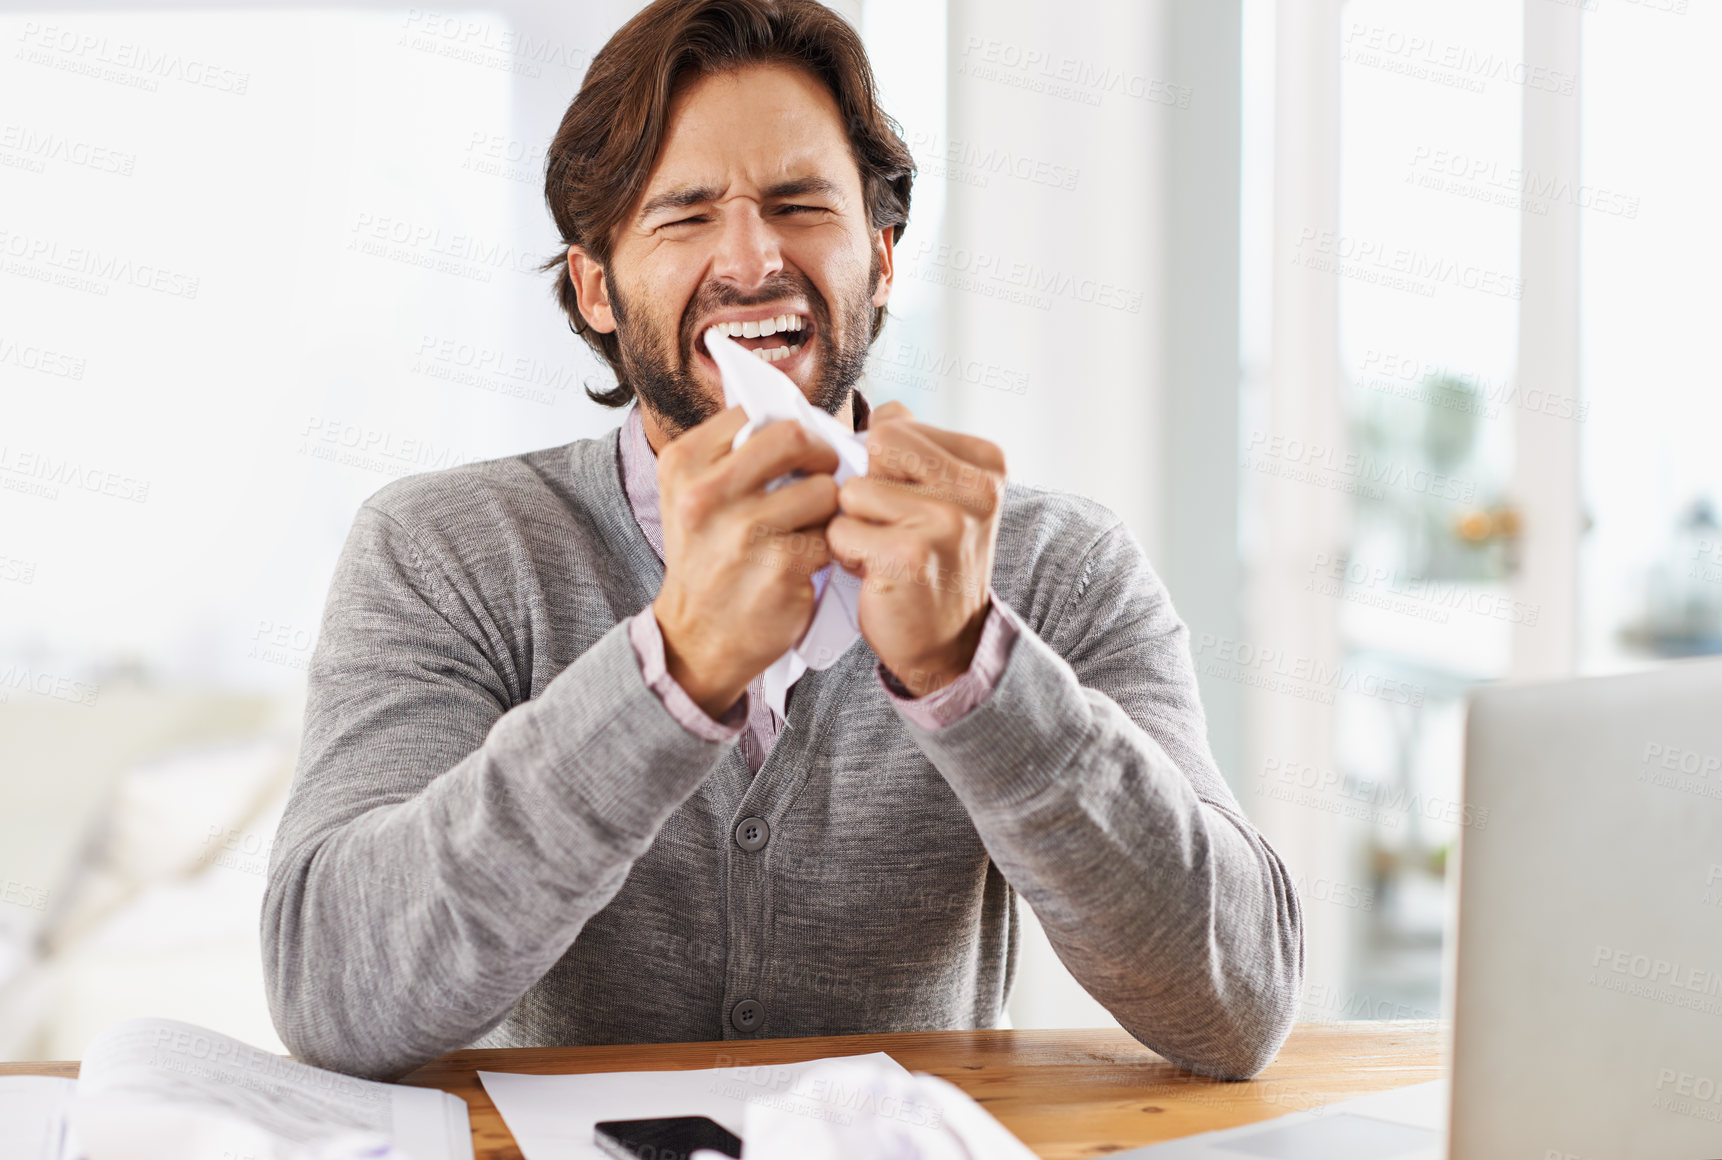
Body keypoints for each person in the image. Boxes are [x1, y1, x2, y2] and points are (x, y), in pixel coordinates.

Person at [262, 0, 1303, 1083]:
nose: (752, 258)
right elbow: (332, 991)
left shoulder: (1055, 562)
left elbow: (1238, 1003)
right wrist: (672, 671)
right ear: (595, 287)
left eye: (800, 205)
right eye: (685, 215)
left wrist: (970, 668)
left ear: (882, 258)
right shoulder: (446, 551)